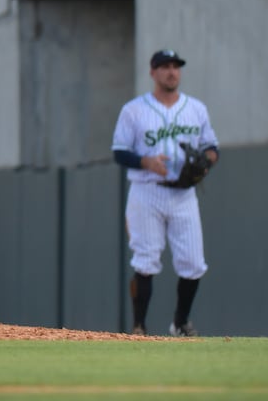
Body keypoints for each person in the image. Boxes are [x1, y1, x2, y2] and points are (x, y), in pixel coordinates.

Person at [112, 49, 219, 337]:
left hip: (184, 194)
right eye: (165, 66)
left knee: (194, 263)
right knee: (145, 260)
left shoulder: (196, 109)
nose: (172, 71)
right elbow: (119, 152)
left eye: (176, 66)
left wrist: (206, 162)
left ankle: (180, 323)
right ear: (152, 72)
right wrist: (146, 161)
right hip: (147, 191)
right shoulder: (134, 110)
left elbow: (212, 147)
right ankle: (139, 326)